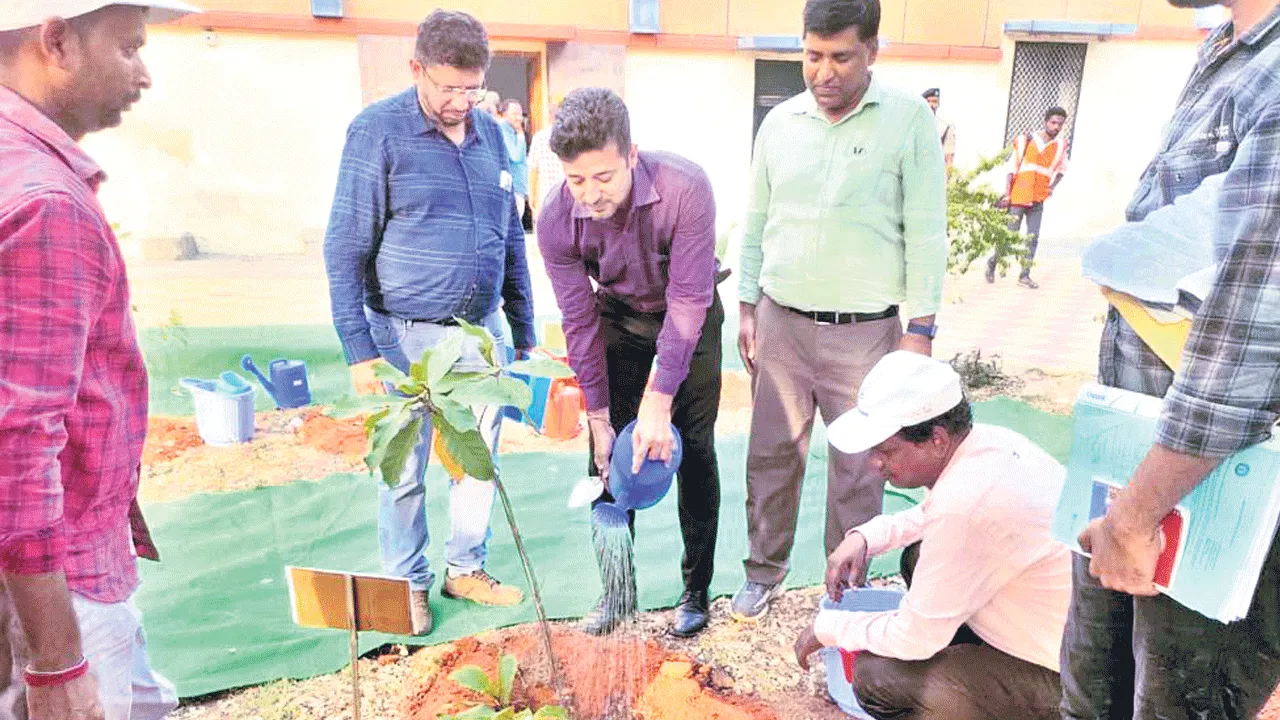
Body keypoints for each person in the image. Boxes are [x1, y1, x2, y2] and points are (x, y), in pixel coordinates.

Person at [1061, 1, 1280, 717]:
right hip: (1144, 467)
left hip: (1217, 487)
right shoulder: (1230, 47)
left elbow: (1245, 331)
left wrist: (1137, 514)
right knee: (1096, 695)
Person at [0, 2, 200, 719]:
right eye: (128, 48)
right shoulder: (43, 200)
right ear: (55, 41)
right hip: (61, 586)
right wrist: (58, 663)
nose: (143, 73)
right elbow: (18, 447)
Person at [733, 0, 948, 621]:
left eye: (840, 57)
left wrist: (922, 329)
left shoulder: (908, 121)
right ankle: (763, 572)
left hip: (867, 335)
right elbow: (757, 222)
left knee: (860, 468)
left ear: (872, 51)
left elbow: (927, 231)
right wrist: (747, 302)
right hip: (782, 324)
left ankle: (845, 585)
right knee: (772, 455)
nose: (823, 72)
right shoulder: (780, 124)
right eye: (812, 56)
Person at [323, 9, 536, 635]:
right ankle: (406, 582)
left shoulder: (493, 136)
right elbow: (344, 246)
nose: (460, 101)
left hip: (480, 333)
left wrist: (524, 331)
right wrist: (360, 350)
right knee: (405, 467)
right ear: (416, 68)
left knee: (477, 459)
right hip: (403, 336)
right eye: (447, 87)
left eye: (472, 89)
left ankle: (464, 565)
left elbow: (510, 239)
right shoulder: (376, 133)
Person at [792, 352, 1071, 720]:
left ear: (937, 439)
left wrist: (828, 628)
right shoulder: (988, 444)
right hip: (1057, 640)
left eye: (885, 450)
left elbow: (915, 637)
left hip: (1065, 682)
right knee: (917, 556)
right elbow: (933, 514)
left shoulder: (966, 504)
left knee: (877, 678)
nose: (875, 463)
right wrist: (867, 536)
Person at [537, 88, 723, 638]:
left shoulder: (684, 189)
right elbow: (578, 320)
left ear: (632, 154)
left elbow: (689, 302)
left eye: (604, 177)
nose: (590, 194)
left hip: (690, 317)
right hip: (617, 320)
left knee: (692, 452)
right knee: (607, 460)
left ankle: (696, 590)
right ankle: (617, 592)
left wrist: (658, 399)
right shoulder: (556, 220)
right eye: (576, 180)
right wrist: (598, 416)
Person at [986, 106, 1069, 289]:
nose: (1056, 127)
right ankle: (993, 262)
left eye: (1060, 124)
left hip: (1038, 197)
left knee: (1032, 237)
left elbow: (1062, 170)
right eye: (1053, 122)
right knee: (1010, 235)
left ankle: (1025, 275)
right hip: (1019, 196)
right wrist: (1008, 193)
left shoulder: (1060, 146)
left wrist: (1051, 188)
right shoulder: (1026, 140)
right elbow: (1011, 168)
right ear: (1045, 122)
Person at [527, 97, 566, 220]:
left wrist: (531, 194)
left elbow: (533, 169)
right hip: (565, 193)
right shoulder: (570, 137)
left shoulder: (539, 137)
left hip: (545, 194)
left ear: (549, 116)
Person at [500, 99, 530, 221]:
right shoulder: (503, 130)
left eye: (520, 114)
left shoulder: (510, 131)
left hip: (516, 186)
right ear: (504, 114)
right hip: (512, 187)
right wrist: (520, 134)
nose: (518, 118)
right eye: (514, 114)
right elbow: (515, 156)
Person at [922, 88, 954, 170]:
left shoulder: (945, 127)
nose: (931, 105)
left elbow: (949, 157)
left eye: (934, 101)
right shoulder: (913, 125)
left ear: (938, 104)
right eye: (928, 101)